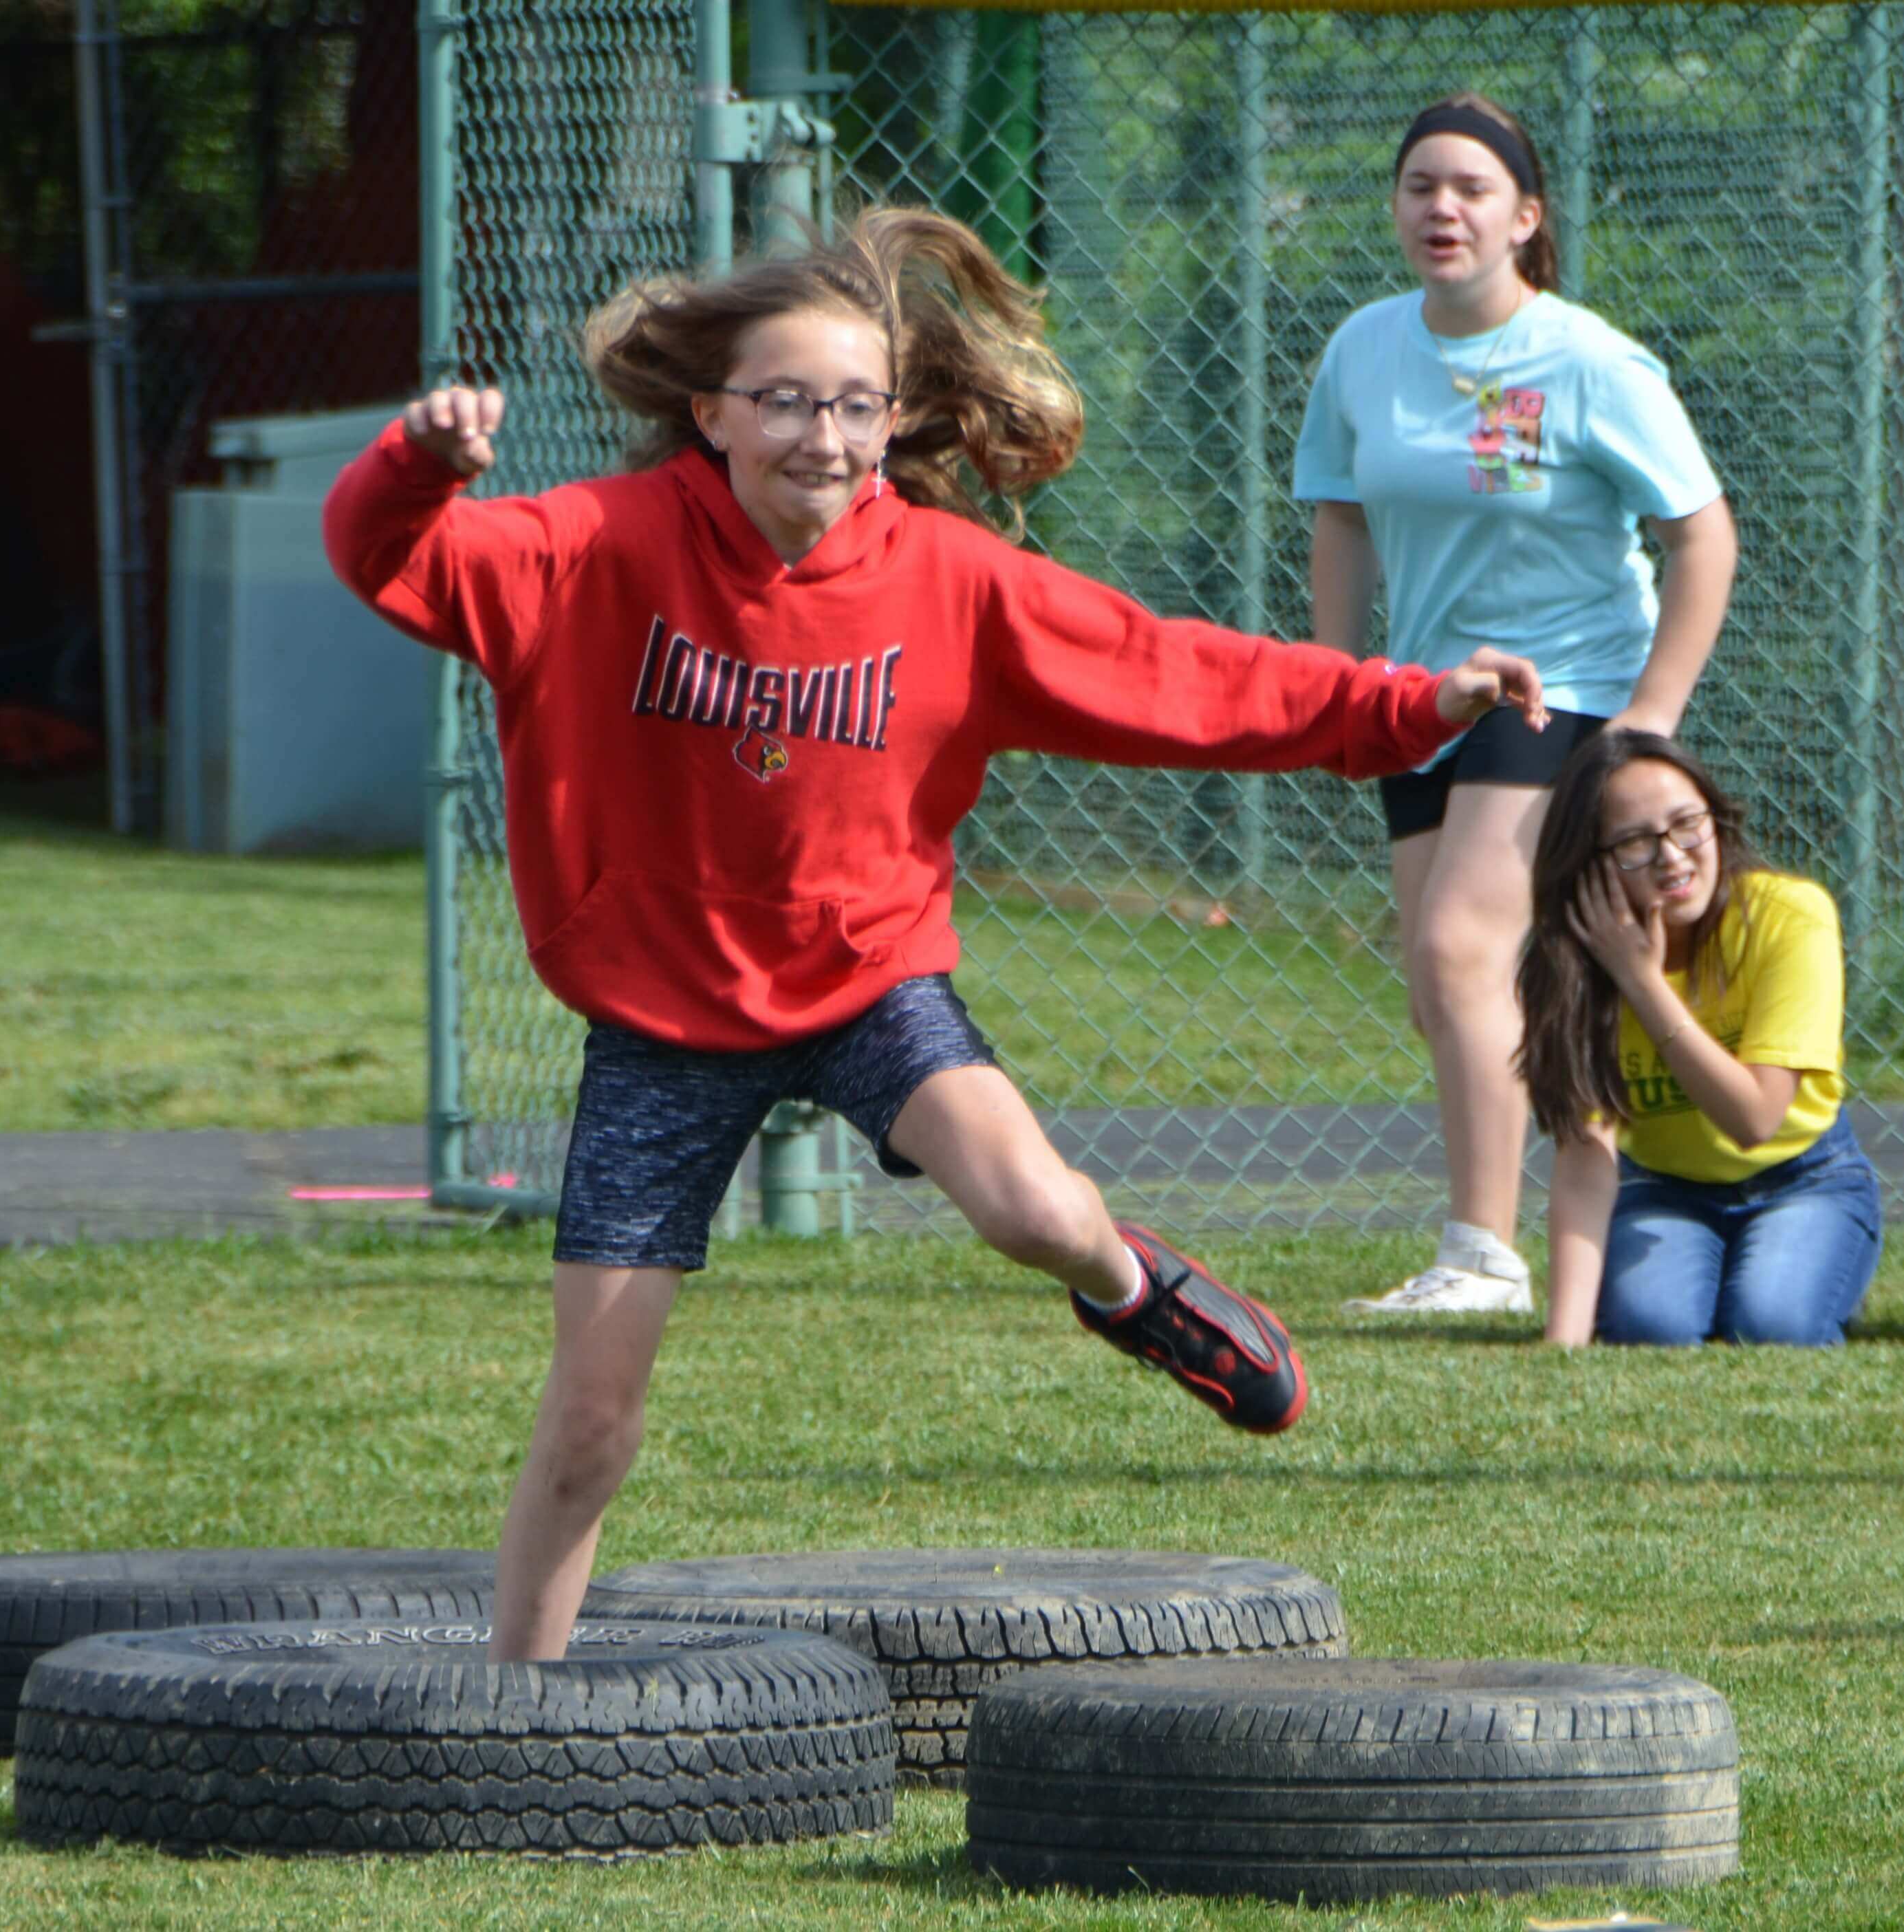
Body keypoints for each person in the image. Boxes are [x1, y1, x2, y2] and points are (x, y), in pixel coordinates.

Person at [323, 206, 1544, 1662]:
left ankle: (1137, 1290)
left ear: (894, 418)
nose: (822, 438)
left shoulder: (953, 584)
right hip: (660, 1021)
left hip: (867, 981)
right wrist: (418, 466)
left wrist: (1410, 704)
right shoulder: (595, 545)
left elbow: (1181, 677)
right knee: (589, 1420)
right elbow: (385, 558)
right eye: (783, 402)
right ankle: (517, 1711)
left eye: (854, 406)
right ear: (708, 410)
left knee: (1037, 1212)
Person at [1292, 93, 1738, 1317]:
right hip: (1426, 697)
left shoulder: (1590, 359)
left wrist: (1651, 712)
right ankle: (1564, 1199)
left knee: (1459, 944)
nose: (1443, 207)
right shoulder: (1364, 349)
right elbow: (1339, 511)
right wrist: (1343, 684)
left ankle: (1481, 1254)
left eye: (1473, 189)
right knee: (1445, 983)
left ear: (1525, 217)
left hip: (1568, 688)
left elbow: (1702, 533)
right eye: (1421, 185)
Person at [1517, 730, 1880, 1347]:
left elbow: (1755, 1118)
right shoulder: (1572, 959)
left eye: (1688, 823)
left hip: (1802, 1176)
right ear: (1590, 861)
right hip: (1664, 1188)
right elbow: (1585, 1155)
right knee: (1650, 1327)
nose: (1672, 856)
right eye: (1635, 841)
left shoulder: (1789, 916)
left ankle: (1812, 1257)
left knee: (1771, 1324)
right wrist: (1564, 1341)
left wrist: (1641, 980)